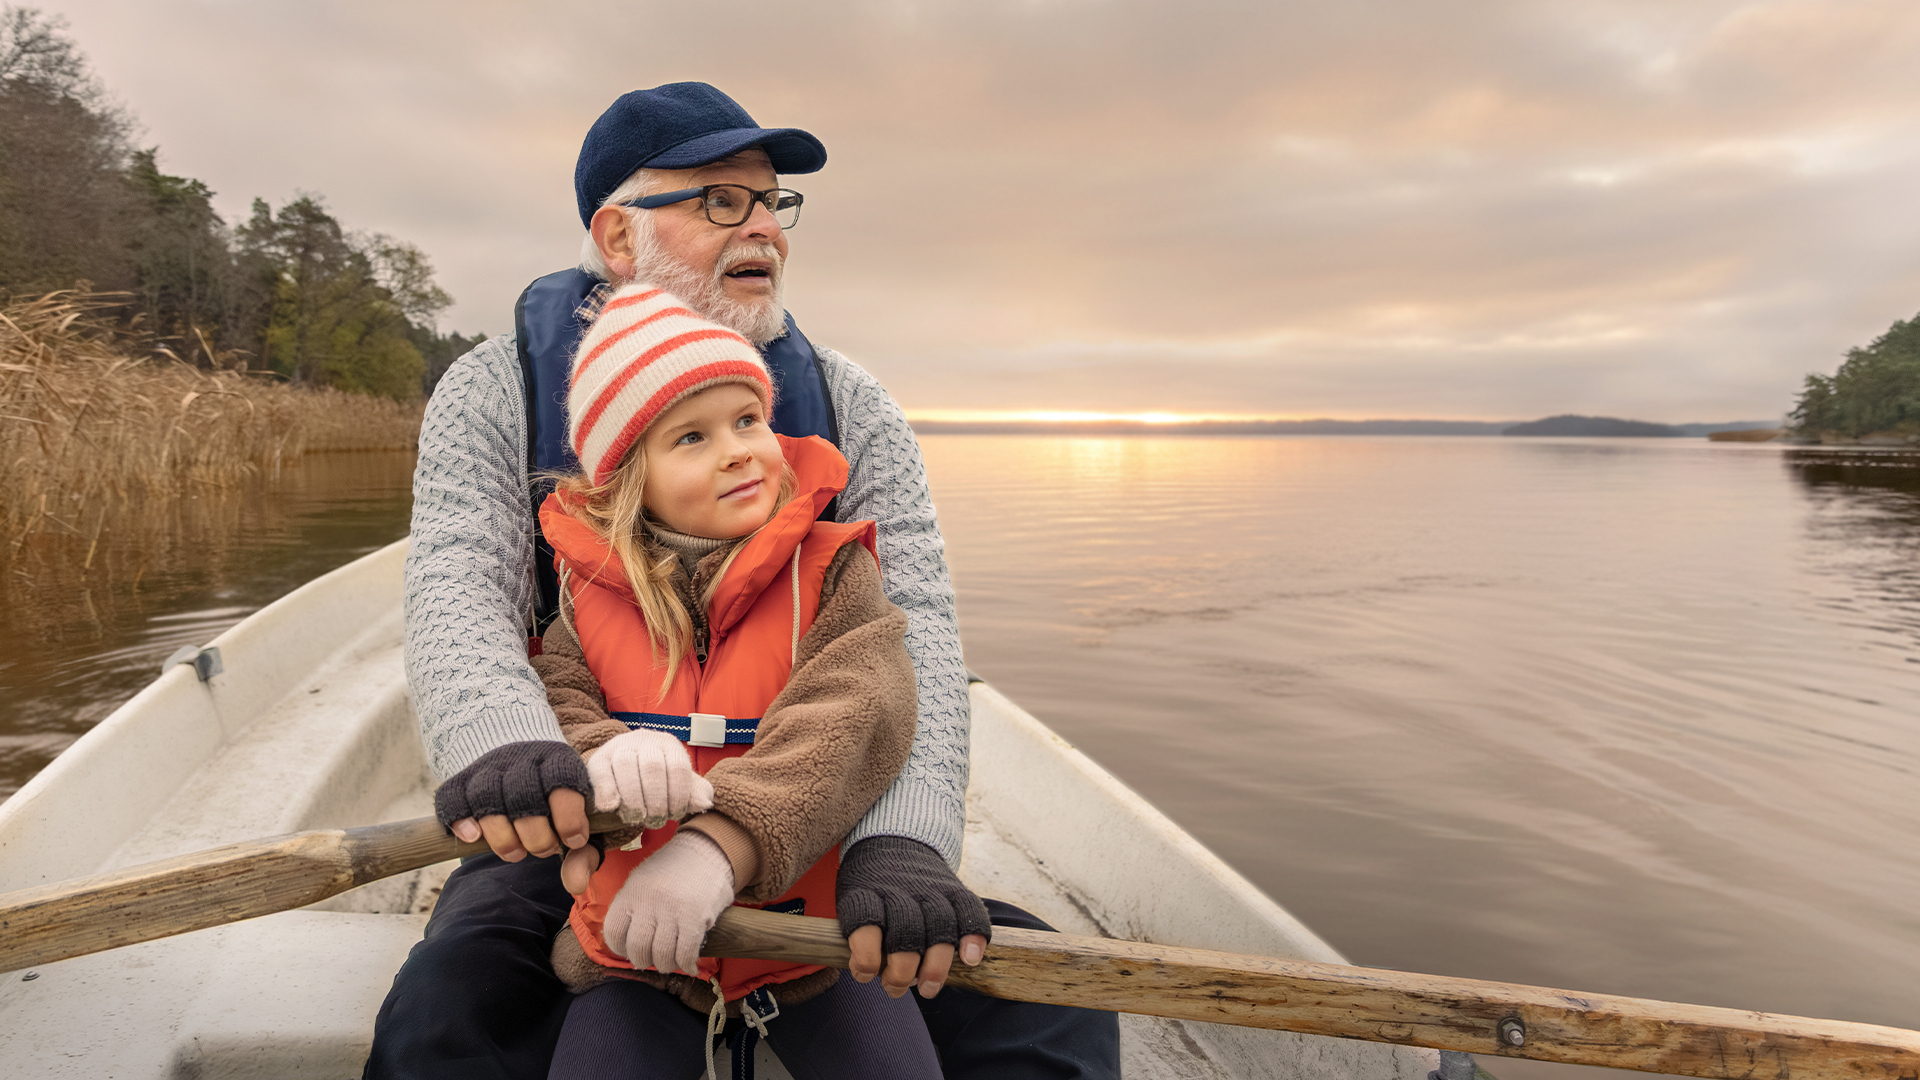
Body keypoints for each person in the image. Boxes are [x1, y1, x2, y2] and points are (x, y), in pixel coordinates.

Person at [364, 82, 1119, 1079]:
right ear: (619, 236)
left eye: (772, 201)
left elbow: (914, 637)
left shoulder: (854, 404)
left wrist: (902, 842)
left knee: (1051, 1015)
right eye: (722, 199)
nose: (765, 226)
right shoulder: (491, 389)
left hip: (817, 815)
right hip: (578, 815)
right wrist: (514, 752)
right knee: (445, 1014)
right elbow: (457, 591)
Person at [534, 281, 937, 1078]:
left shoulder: (834, 573)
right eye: (691, 437)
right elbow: (554, 699)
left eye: (748, 419)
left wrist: (718, 849)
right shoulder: (585, 592)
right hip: (632, 953)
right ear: (627, 478)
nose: (738, 449)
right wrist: (600, 754)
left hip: (814, 952)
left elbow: (857, 709)